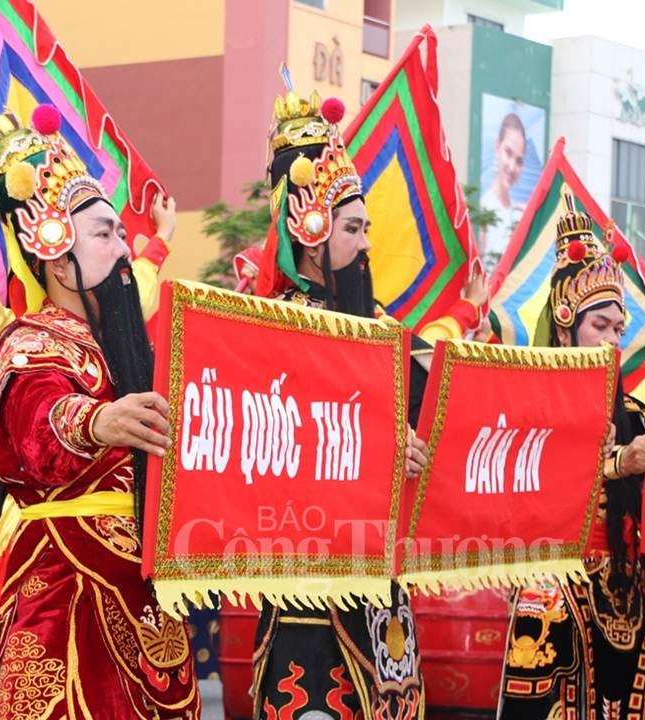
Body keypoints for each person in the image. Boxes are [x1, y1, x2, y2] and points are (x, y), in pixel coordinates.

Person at [0, 100, 198, 718]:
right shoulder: (31, 341)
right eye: (108, 234)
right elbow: (38, 423)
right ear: (58, 259)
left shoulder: (126, 349)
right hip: (66, 594)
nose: (124, 248)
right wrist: (96, 421)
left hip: (141, 590)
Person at [249, 88, 429, 720]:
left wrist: (415, 449)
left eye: (366, 228)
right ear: (310, 228)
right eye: (353, 228)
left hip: (381, 587)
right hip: (306, 580)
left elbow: (431, 426)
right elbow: (266, 448)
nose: (367, 244)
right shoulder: (271, 331)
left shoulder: (386, 330)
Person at [498, 194, 645, 720]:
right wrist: (619, 463)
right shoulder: (530, 399)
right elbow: (540, 475)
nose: (614, 339)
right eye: (601, 326)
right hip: (553, 588)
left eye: (619, 328)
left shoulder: (636, 413)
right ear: (566, 323)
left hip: (624, 597)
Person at [480, 113, 526, 268]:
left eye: (519, 161)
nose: (512, 167)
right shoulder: (484, 208)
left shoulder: (519, 215)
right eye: (508, 152)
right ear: (497, 147)